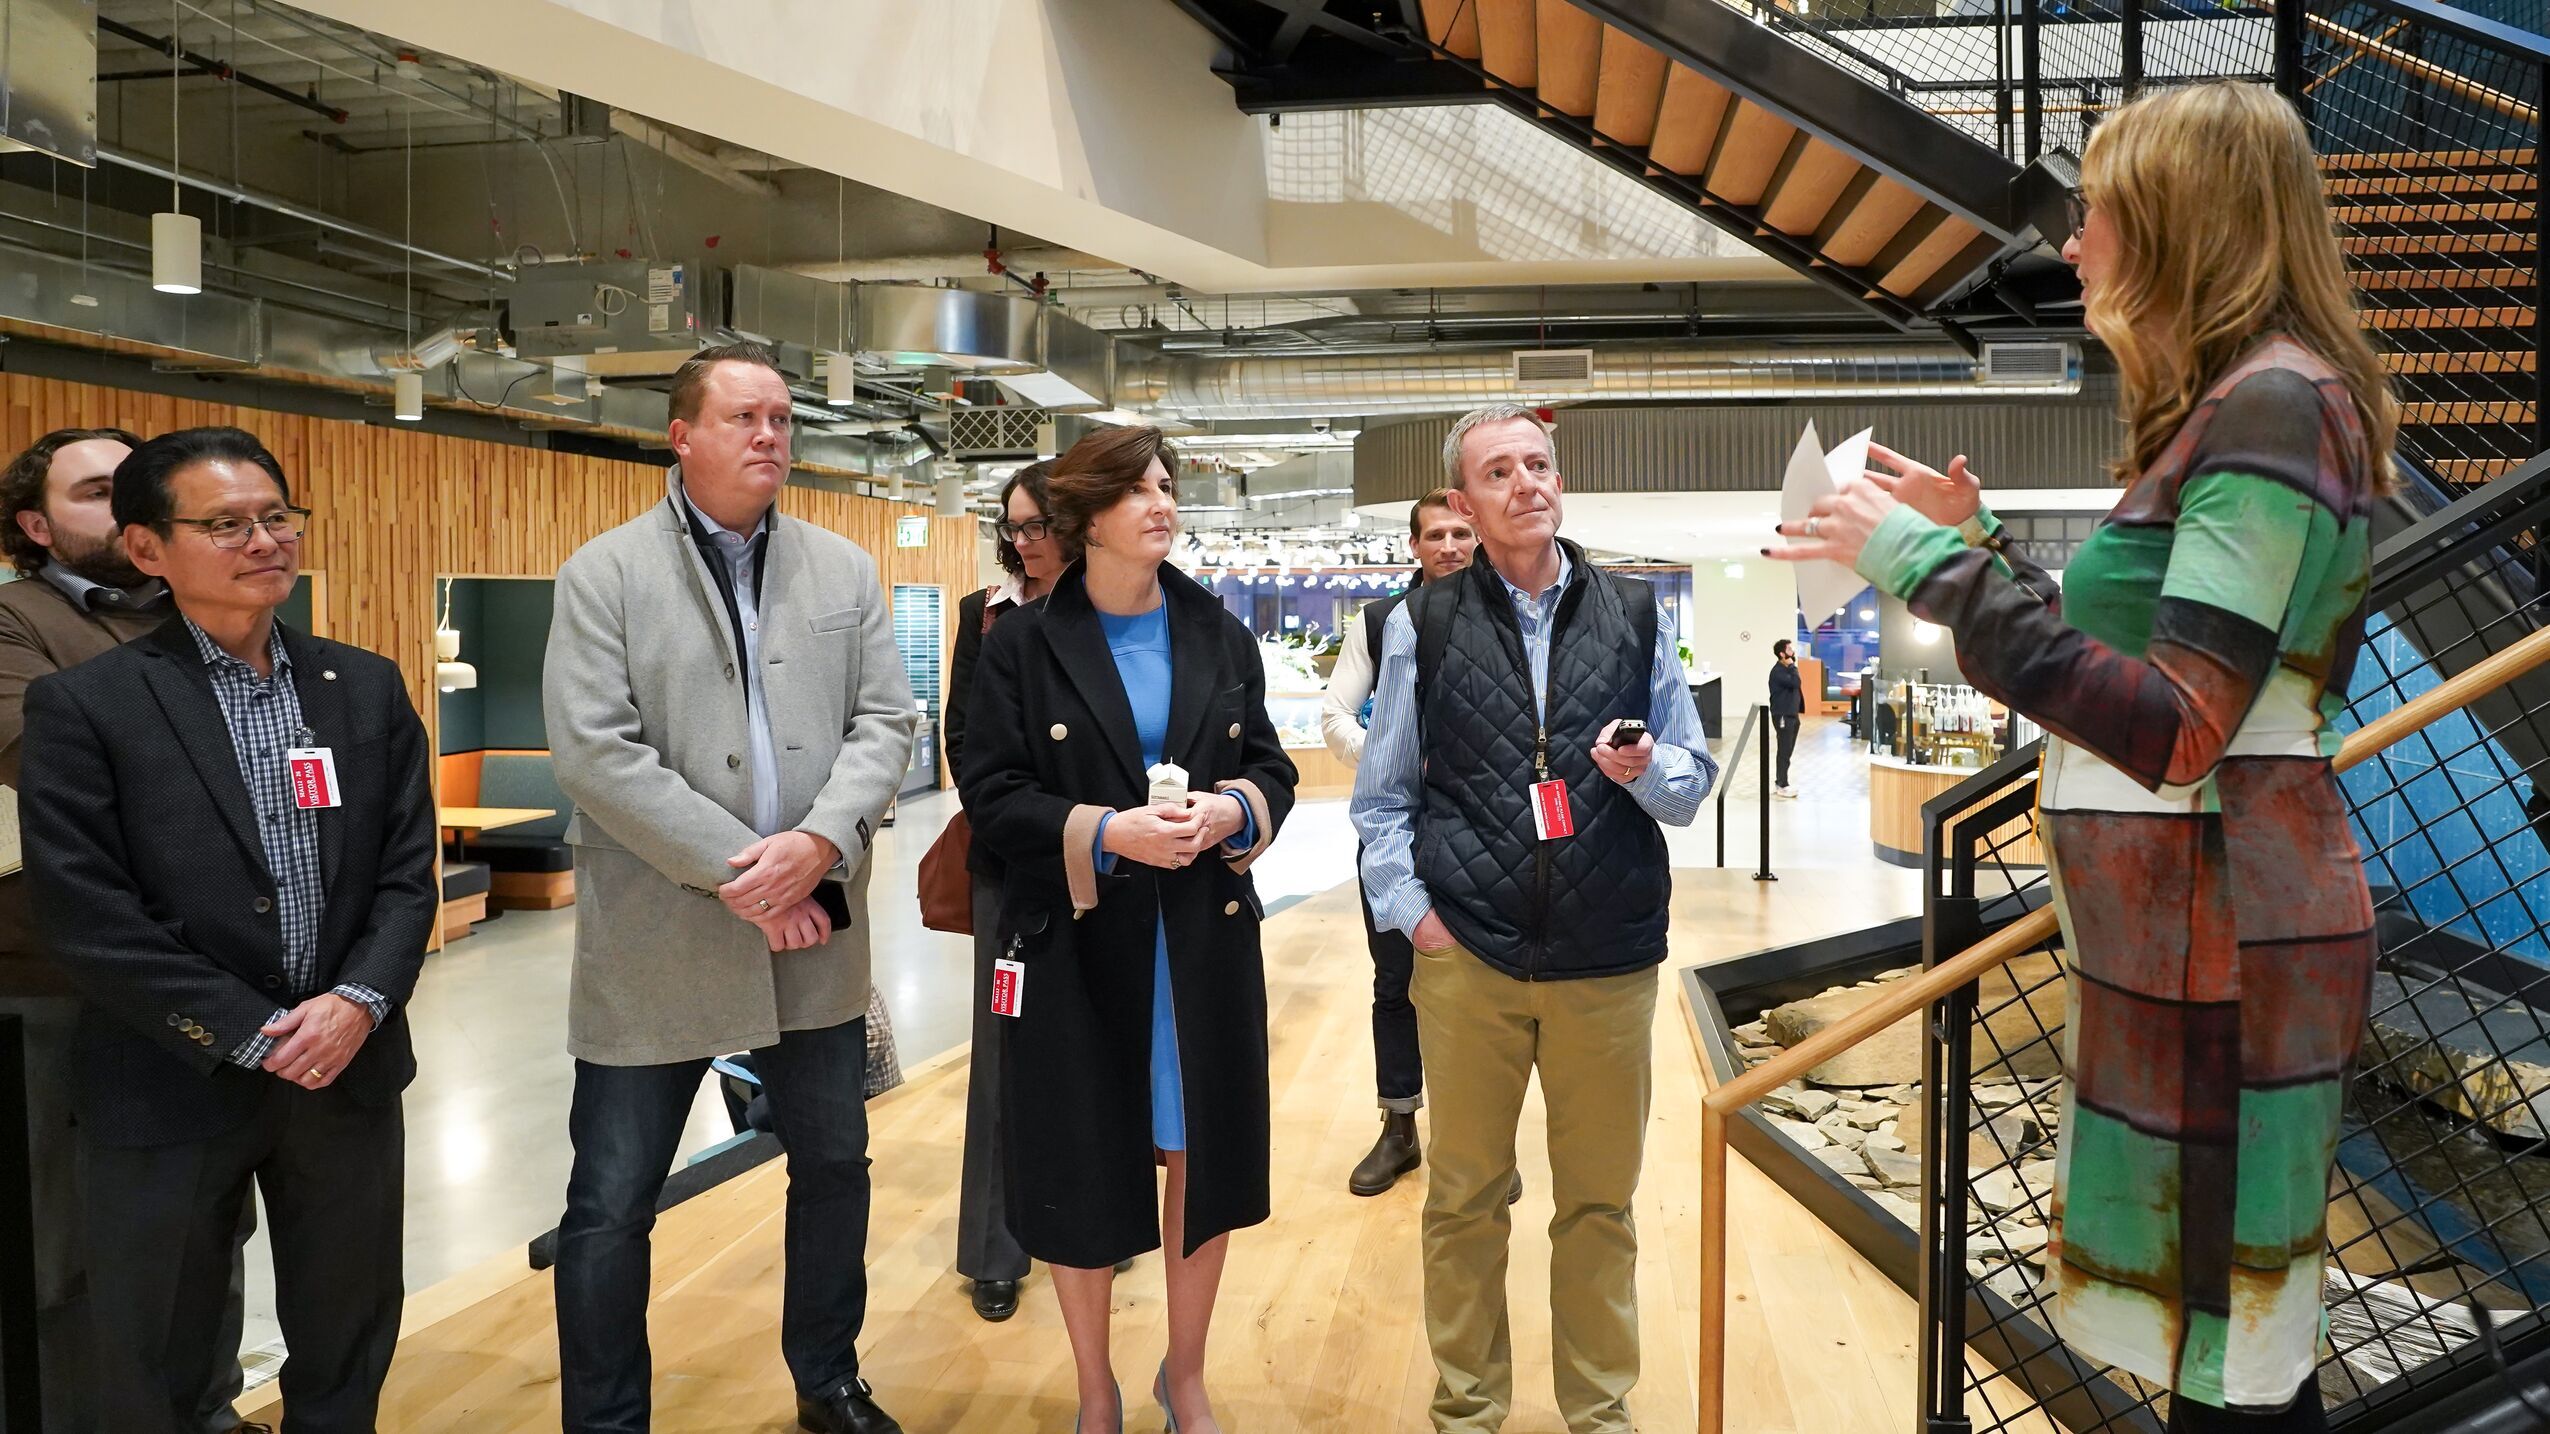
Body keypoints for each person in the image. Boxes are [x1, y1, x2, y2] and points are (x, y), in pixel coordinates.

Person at [1770, 82, 2392, 1434]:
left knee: (2229, 1364)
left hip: (2229, 940)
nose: (2072, 243)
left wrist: (1930, 566)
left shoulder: (2273, 407)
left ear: (2177, 220)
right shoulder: (2243, 404)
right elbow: (2148, 672)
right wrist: (1980, 552)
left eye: (2094, 209)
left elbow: (2175, 726)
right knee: (2204, 1349)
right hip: (2193, 937)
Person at [19, 426, 437, 1434]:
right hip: (172, 1074)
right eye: (225, 525)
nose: (264, 541)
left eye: (276, 518)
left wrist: (357, 1004)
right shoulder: (87, 705)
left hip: (346, 1074)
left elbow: (403, 876)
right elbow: (86, 911)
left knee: (347, 1336)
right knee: (159, 1350)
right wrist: (251, 1029)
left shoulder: (363, 687)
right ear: (149, 549)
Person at [543, 342, 916, 1434]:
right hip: (658, 937)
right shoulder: (603, 574)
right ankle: (606, 1421)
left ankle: (829, 1380)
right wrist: (746, 874)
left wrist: (820, 843)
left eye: (784, 420)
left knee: (835, 1165)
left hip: (818, 932)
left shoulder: (842, 569)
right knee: (610, 1202)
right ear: (682, 433)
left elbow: (886, 722)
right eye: (746, 417)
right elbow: (595, 754)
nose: (770, 437)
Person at [1352, 404, 1716, 1434]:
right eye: (1500, 471)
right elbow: (1382, 801)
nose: (1528, 483)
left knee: (1599, 1205)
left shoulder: (1637, 612)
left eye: (1540, 464)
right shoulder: (1421, 624)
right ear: (1463, 504)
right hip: (1469, 959)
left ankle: (1598, 1411)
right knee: (1464, 1203)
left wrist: (1649, 772)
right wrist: (1417, 919)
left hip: (1609, 960)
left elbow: (1694, 780)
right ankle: (1468, 1409)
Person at [960, 424, 1296, 1434]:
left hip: (1198, 941)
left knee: (1205, 1158)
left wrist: (1231, 811)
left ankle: (1182, 1377)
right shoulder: (1019, 644)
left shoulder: (1219, 633)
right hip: (1077, 943)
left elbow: (1271, 766)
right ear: (1086, 518)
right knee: (1079, 1156)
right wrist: (1106, 832)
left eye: (1164, 485)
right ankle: (1095, 1386)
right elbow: (992, 793)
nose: (1162, 502)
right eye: (1136, 489)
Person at [1318, 489, 1491, 1197]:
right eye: (1435, 535)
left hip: (1484, 832)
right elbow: (1333, 715)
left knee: (1482, 986)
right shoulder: (1381, 620)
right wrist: (1391, 758)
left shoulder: (1503, 614)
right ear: (1413, 547)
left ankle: (1473, 1141)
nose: (1449, 546)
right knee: (1396, 981)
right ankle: (1399, 1127)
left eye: (1460, 533)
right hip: (1393, 830)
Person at [944, 459, 1078, 1323]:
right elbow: (964, 737)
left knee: (1099, 1052)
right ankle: (995, 1249)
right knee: (1000, 1055)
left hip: (1111, 864)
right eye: (1015, 528)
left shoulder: (1124, 609)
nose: (1026, 544)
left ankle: (1089, 1222)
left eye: (1041, 526)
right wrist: (1022, 825)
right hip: (1010, 868)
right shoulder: (983, 617)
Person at [1768, 638, 1804, 798]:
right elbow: (1796, 682)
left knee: (1788, 750)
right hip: (1783, 715)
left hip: (1792, 715)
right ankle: (1781, 784)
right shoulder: (1778, 671)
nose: (1793, 651)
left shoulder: (1787, 669)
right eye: (1789, 649)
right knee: (1784, 750)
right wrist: (1791, 666)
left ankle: (1782, 781)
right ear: (1782, 654)